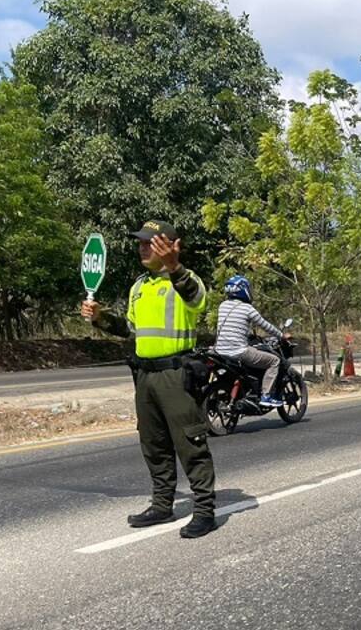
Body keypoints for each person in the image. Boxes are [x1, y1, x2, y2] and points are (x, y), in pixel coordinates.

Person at [81, 220, 218, 539]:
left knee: (190, 443)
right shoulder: (139, 286)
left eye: (150, 243)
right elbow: (130, 329)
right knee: (153, 443)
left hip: (176, 375)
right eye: (141, 243)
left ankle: (204, 510)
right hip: (145, 376)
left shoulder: (185, 280)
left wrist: (174, 266)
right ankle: (162, 504)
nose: (143, 248)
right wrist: (100, 318)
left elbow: (197, 299)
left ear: (171, 245)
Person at [213, 274, 287, 407]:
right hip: (238, 352)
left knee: (252, 350)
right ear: (243, 290)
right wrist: (281, 335)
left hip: (219, 352)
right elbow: (265, 325)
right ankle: (266, 396)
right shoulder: (247, 309)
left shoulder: (222, 306)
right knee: (274, 361)